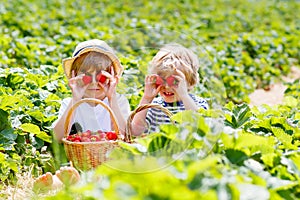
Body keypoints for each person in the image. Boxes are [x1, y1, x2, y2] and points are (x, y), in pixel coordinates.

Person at [33, 39, 130, 192]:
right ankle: (59, 182)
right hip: (77, 163)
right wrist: (75, 98)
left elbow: (125, 135)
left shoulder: (119, 101)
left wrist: (111, 98)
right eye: (85, 77)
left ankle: (74, 181)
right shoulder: (70, 103)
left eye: (101, 78)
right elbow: (57, 136)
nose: (92, 83)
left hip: (109, 164)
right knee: (66, 170)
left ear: (111, 77)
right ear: (74, 76)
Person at [131, 43, 208, 136]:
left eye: (175, 81)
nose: (167, 86)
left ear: (190, 83)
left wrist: (184, 96)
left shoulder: (198, 103)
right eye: (161, 80)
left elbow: (200, 128)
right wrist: (147, 98)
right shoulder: (154, 106)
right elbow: (135, 132)